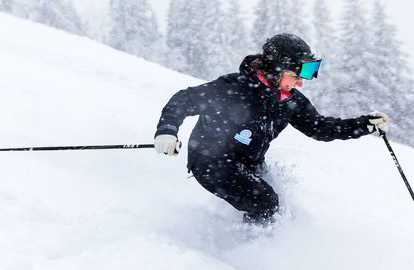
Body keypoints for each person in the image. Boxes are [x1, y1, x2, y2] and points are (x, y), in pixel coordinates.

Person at [153, 33, 389, 226]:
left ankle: (263, 242)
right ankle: (252, 256)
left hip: (249, 163)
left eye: (307, 74)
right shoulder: (232, 88)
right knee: (265, 203)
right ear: (277, 68)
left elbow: (321, 128)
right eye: (298, 75)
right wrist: (167, 131)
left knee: (283, 211)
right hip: (210, 160)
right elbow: (184, 99)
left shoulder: (290, 101)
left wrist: (364, 124)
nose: (301, 82)